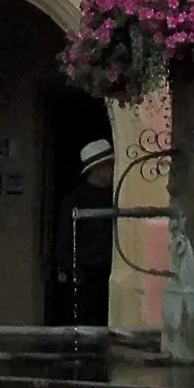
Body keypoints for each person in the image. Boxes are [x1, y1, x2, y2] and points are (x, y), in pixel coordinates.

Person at [53, 137, 116, 327]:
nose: (113, 171)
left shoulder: (115, 196)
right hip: (85, 275)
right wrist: (73, 272)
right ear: (98, 169)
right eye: (109, 166)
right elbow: (65, 239)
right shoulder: (75, 199)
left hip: (107, 272)